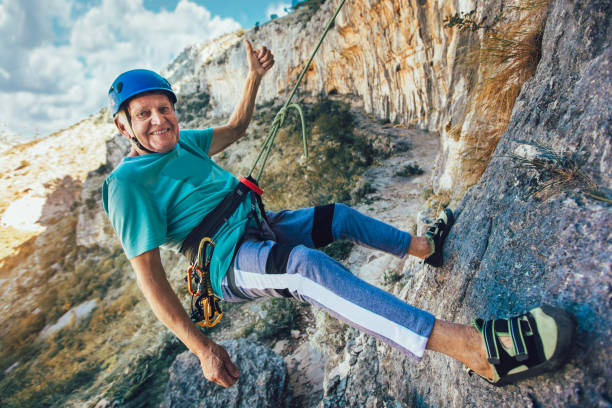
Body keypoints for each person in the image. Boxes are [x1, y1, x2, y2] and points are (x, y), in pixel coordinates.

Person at [103, 39, 575, 390]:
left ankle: (425, 248)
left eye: (163, 108)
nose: (157, 119)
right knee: (308, 269)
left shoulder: (185, 141)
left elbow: (237, 127)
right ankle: (476, 351)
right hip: (225, 261)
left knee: (339, 216)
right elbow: (150, 281)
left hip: (252, 224)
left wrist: (254, 77)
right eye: (142, 113)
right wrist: (203, 348)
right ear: (124, 125)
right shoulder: (127, 185)